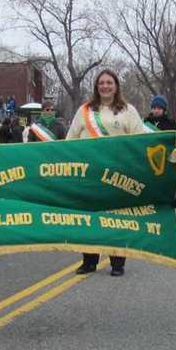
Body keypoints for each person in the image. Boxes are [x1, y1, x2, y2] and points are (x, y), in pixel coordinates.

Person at [66, 69, 144, 277]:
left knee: (115, 219)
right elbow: (70, 141)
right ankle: (89, 260)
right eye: (101, 83)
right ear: (96, 87)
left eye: (109, 82)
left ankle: (117, 262)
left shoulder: (128, 110)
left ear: (116, 86)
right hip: (88, 175)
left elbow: (140, 142)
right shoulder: (84, 111)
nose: (105, 86)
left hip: (117, 176)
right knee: (89, 219)